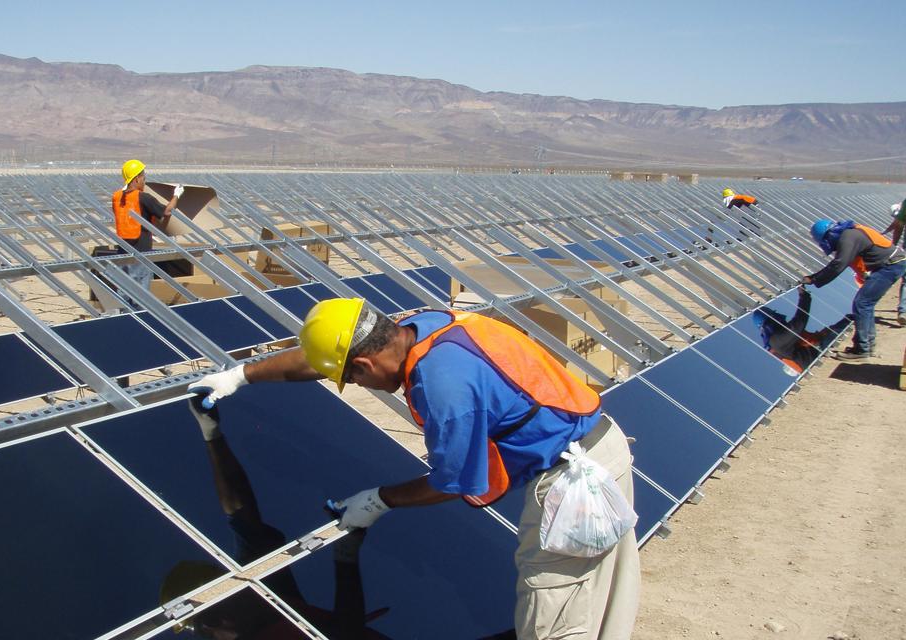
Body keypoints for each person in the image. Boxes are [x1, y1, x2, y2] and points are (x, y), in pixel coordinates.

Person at [189, 300, 640, 640]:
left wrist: (377, 501)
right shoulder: (423, 324)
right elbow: (323, 359)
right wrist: (239, 376)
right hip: (604, 447)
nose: (356, 386)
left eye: (354, 380)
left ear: (364, 365)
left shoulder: (442, 390)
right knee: (605, 597)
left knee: (551, 611)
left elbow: (458, 481)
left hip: (571, 485)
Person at [157, 397, 390, 639]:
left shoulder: (267, 593)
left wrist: (211, 433)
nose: (223, 621)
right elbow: (344, 634)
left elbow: (241, 514)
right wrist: (346, 557)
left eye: (216, 610)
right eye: (209, 621)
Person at [802, 219, 906, 360]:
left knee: (862, 303)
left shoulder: (848, 237)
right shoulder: (851, 234)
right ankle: (867, 345)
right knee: (865, 304)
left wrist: (814, 279)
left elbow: (839, 263)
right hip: (891, 265)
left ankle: (862, 349)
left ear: (828, 235)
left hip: (889, 266)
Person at [111, 159, 183, 301]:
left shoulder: (116, 196)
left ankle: (125, 317)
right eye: (143, 177)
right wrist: (177, 194)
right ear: (137, 178)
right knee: (141, 294)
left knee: (124, 290)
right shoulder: (143, 197)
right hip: (141, 250)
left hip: (122, 249)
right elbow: (167, 212)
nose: (144, 181)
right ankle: (140, 317)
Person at [753, 286, 852, 374]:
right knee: (851, 327)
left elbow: (815, 338)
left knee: (848, 321)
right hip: (818, 360)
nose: (779, 315)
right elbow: (799, 322)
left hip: (819, 351)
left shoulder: (779, 339)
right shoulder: (776, 341)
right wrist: (804, 296)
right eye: (774, 315)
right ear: (771, 321)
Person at [880, 198, 906, 326]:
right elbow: (899, 224)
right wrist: (893, 246)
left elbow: (899, 225)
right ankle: (904, 312)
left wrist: (893, 245)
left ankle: (905, 311)